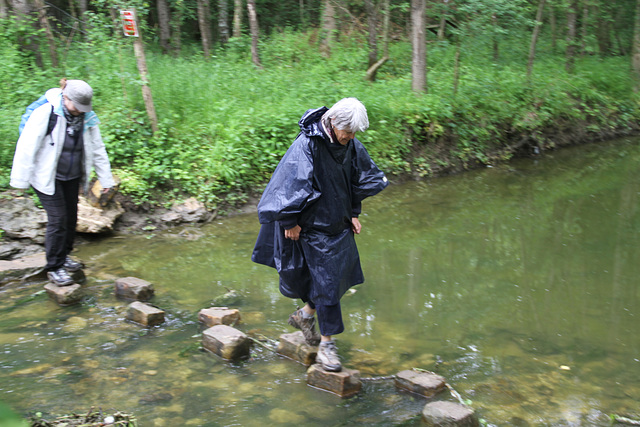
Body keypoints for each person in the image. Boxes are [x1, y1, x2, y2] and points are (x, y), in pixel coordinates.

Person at [252, 98, 388, 372]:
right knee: (328, 283)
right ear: (333, 123)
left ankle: (305, 315)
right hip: (309, 225)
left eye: (354, 134)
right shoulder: (308, 145)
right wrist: (289, 220)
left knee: (333, 279)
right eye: (347, 132)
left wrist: (353, 212)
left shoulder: (348, 144)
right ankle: (327, 346)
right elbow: (288, 184)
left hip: (336, 221)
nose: (350, 138)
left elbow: (356, 179)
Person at [10, 78, 115, 286]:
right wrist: (20, 182)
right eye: (76, 105)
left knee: (70, 218)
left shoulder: (87, 118)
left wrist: (105, 179)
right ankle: (54, 267)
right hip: (46, 177)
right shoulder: (46, 113)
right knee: (58, 220)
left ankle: (64, 255)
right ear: (65, 97)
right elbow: (27, 147)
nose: (79, 110)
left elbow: (98, 149)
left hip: (72, 176)